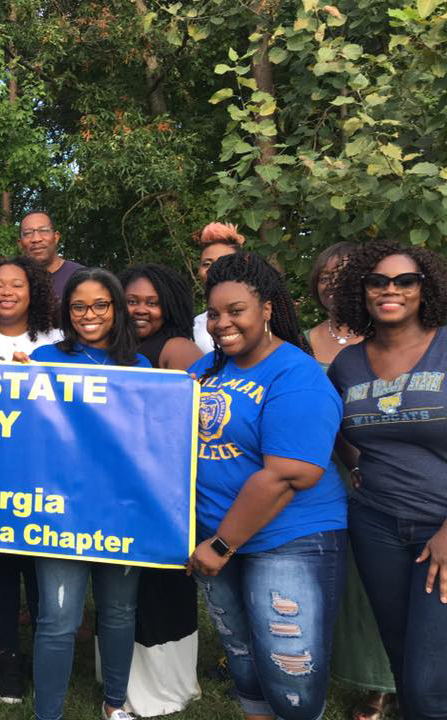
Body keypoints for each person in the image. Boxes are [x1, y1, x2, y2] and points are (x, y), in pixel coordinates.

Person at [187, 252, 348, 720]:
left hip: (288, 540)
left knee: (289, 669)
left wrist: (220, 544)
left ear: (267, 309)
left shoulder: (296, 376)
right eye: (214, 314)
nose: (222, 323)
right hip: (216, 535)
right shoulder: (203, 372)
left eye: (236, 310)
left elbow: (287, 475)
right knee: (242, 657)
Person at [329, 241, 447, 720]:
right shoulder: (348, 364)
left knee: (428, 685)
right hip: (376, 526)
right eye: (377, 281)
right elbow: (335, 426)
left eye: (405, 280)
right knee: (402, 664)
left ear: (426, 288)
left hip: (440, 527)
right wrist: (355, 463)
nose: (390, 290)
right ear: (363, 291)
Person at [27, 268, 150, 720]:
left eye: (101, 305)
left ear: (116, 309)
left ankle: (114, 705)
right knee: (58, 620)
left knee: (119, 612)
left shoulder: (139, 369)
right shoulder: (44, 359)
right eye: (79, 306)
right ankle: (48, 714)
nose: (89, 315)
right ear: (67, 312)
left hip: (120, 511)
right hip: (60, 510)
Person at [304, 245, 394, 720]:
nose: (332, 283)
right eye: (324, 276)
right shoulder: (302, 341)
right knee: (336, 583)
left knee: (377, 579)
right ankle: (345, 667)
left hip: (377, 472)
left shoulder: (386, 336)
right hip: (316, 475)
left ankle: (382, 685)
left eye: (343, 275)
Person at [0, 256, 61, 703]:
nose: (6, 291)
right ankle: (7, 659)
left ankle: (46, 658)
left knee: (42, 567)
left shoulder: (58, 338)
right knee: (0, 567)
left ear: (33, 291)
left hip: (45, 473)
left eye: (16, 285)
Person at [117, 263, 202, 716]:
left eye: (151, 301)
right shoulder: (119, 345)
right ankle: (123, 681)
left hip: (162, 490)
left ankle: (162, 690)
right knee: (126, 590)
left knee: (159, 590)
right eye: (132, 300)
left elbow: (195, 425)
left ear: (169, 304)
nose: (141, 309)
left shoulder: (179, 347)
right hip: (124, 487)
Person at [192, 223, 244, 354]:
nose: (215, 269)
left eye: (225, 262)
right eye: (207, 264)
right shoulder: (195, 326)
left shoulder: (262, 319)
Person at [17, 211, 84, 302]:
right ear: (20, 243)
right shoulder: (14, 281)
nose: (36, 239)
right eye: (28, 233)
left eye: (44, 231)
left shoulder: (80, 277)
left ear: (56, 237)